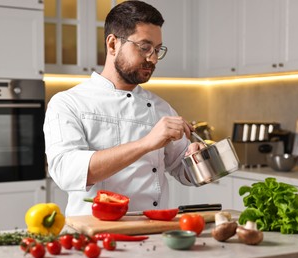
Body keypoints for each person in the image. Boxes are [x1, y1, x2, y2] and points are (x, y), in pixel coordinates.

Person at [43, 0, 203, 217]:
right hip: (96, 236)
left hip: (154, 231)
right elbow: (67, 172)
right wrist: (146, 143)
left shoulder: (161, 108)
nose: (153, 58)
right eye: (145, 47)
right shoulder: (68, 103)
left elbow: (183, 172)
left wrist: (197, 160)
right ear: (112, 44)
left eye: (157, 49)